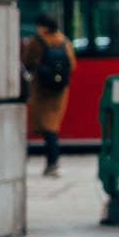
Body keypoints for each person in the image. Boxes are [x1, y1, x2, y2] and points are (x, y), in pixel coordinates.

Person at [22, 14, 76, 177]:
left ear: (43, 26)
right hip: (59, 91)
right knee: (51, 126)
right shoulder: (64, 41)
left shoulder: (36, 42)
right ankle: (52, 162)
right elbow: (72, 64)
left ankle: (52, 162)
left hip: (42, 89)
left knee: (47, 127)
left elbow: (26, 61)